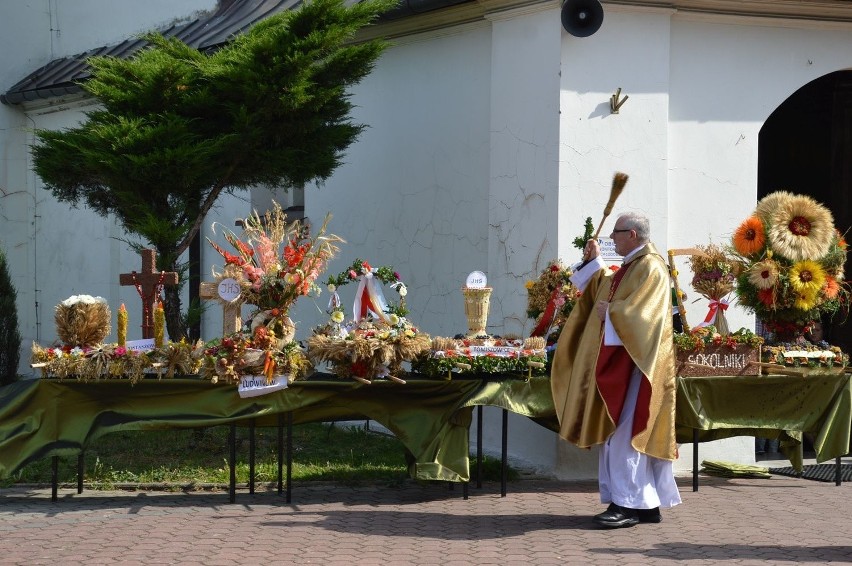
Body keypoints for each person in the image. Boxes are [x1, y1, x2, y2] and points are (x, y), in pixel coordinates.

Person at [550, 211, 681, 528]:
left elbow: (644, 317)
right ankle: (645, 504)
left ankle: (627, 505)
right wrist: (595, 263)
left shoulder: (650, 267)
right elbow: (607, 288)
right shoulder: (632, 266)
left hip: (639, 365)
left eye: (616, 233)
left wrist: (613, 312)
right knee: (623, 434)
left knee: (626, 435)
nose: (612, 239)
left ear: (632, 235)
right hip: (630, 361)